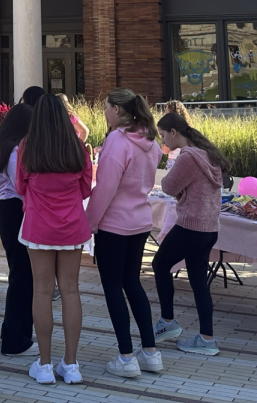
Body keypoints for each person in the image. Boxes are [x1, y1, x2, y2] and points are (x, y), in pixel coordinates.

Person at [16, 92, 92, 386]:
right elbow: (86, 188)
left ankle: (45, 364)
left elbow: (20, 185)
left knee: (42, 291)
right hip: (72, 226)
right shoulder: (77, 148)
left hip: (38, 226)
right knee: (71, 291)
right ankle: (71, 365)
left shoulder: (28, 147)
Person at [88, 89, 164, 377]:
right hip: (140, 222)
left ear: (117, 110)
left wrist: (89, 222)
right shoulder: (149, 140)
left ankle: (125, 356)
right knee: (132, 284)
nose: (103, 113)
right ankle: (150, 352)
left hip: (114, 224)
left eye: (105, 108)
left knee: (113, 288)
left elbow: (105, 188)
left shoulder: (117, 141)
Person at [151, 111, 231, 356]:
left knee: (159, 265)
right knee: (198, 282)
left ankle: (167, 322)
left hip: (190, 226)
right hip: (209, 228)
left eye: (163, 136)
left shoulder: (188, 157)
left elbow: (167, 186)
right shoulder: (208, 155)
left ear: (174, 133)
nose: (163, 142)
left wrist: (179, 190)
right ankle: (206, 339)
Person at [0, 101, 34, 356]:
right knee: (23, 275)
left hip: (6, 210)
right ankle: (16, 337)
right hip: (16, 209)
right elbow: (21, 186)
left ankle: (12, 330)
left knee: (19, 272)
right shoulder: (14, 151)